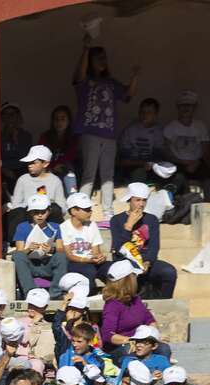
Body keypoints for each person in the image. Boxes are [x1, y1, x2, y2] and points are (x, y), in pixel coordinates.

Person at [73, 37, 138, 222]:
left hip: (109, 135)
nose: (102, 61)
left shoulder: (110, 82)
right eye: (98, 58)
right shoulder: (85, 82)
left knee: (108, 174)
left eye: (104, 58)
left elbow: (128, 95)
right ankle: (81, 208)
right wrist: (86, 50)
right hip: (90, 133)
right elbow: (79, 75)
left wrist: (135, 76)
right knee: (89, 172)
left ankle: (108, 211)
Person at [109, 182, 176, 299]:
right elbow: (118, 249)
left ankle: (164, 303)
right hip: (126, 260)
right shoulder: (116, 220)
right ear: (130, 200)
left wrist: (148, 261)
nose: (141, 204)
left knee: (169, 272)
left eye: (144, 200)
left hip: (146, 260)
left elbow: (154, 246)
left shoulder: (152, 219)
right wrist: (129, 226)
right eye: (137, 200)